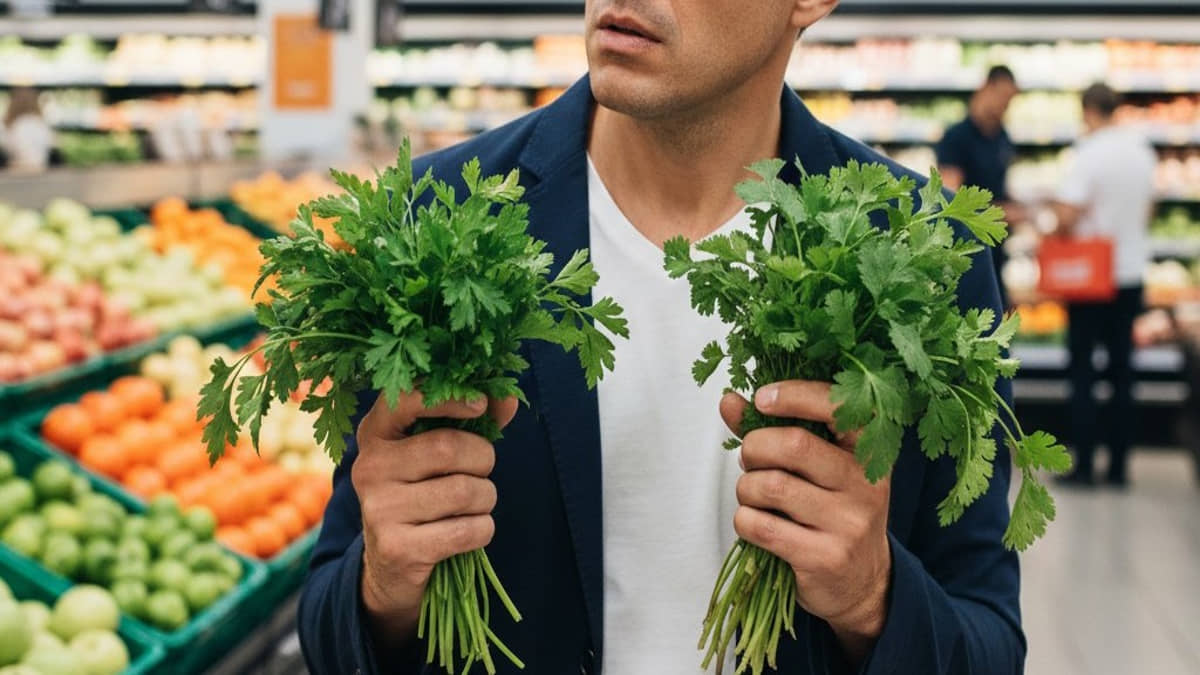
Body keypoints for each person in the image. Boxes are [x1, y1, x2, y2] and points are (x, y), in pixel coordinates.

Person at [299, 1, 1023, 673]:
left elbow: (989, 638)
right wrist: (381, 585)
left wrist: (873, 597)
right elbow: (328, 622)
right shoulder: (433, 219)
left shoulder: (929, 254)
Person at [1050, 83, 1156, 488]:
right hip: (1130, 273)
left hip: (1091, 276)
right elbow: (1149, 208)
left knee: (1082, 372)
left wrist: (1056, 222)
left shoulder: (1089, 153)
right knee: (1123, 371)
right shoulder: (1141, 151)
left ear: (1088, 111)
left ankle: (1084, 466)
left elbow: (1068, 215)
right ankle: (1119, 467)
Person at [936, 65, 1024, 309]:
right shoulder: (956, 137)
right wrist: (1002, 212)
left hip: (995, 255)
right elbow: (950, 204)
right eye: (1003, 99)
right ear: (986, 88)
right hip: (963, 256)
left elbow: (999, 188)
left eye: (1009, 102)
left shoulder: (1002, 137)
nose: (1004, 107)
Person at [1, 87, 54, 171]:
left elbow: (6, 146)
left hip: (17, 170)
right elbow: (50, 145)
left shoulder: (12, 125)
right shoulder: (41, 123)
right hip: (41, 170)